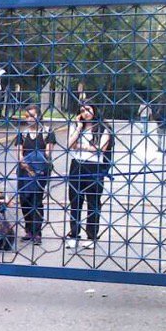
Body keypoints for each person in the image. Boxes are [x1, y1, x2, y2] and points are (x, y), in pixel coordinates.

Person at [65, 104, 110, 250]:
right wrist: (78, 127)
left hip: (94, 167)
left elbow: (100, 149)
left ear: (95, 110)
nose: (86, 113)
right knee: (75, 202)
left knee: (93, 203)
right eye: (83, 110)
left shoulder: (103, 128)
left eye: (89, 109)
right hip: (77, 165)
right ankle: (74, 235)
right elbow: (69, 144)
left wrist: (80, 146)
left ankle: (91, 236)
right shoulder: (77, 127)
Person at [14, 106, 55, 245]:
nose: (29, 119)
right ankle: (28, 230)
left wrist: (36, 166)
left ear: (38, 117)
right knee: (24, 200)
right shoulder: (23, 134)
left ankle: (37, 232)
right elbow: (19, 153)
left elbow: (48, 153)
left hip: (40, 171)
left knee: (36, 200)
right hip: (24, 171)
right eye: (26, 116)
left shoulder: (47, 132)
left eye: (31, 115)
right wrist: (25, 164)